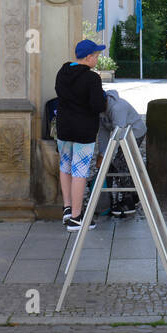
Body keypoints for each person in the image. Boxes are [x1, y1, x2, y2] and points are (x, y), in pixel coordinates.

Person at [55, 38, 106, 231]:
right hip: (83, 129)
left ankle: (67, 208)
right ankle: (77, 217)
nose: (97, 59)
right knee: (80, 171)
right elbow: (98, 106)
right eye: (96, 55)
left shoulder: (63, 71)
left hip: (64, 127)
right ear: (89, 57)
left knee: (65, 166)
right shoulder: (92, 78)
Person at [95, 88, 147, 218]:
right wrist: (102, 154)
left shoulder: (118, 108)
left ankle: (128, 200)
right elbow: (103, 133)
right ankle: (131, 195)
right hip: (123, 132)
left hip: (135, 132)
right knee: (113, 162)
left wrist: (109, 156)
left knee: (121, 162)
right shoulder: (100, 110)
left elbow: (119, 134)